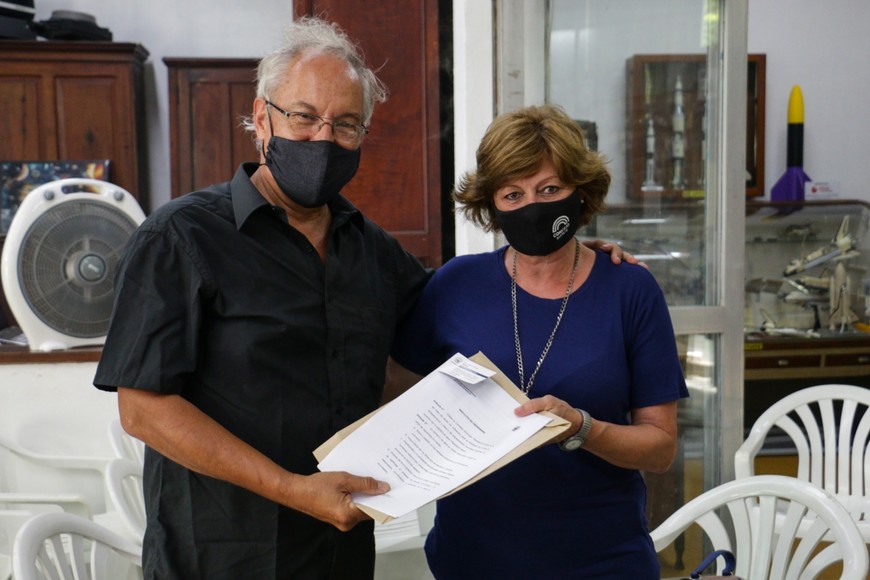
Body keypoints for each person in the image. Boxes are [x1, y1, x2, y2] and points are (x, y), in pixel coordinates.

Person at [94, 17, 634, 580]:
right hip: (220, 557)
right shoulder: (180, 237)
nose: (323, 138)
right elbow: (143, 409)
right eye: (304, 116)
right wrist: (292, 489)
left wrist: (567, 254)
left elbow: (468, 305)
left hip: (341, 552)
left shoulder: (374, 251)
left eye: (346, 124)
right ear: (262, 117)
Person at [390, 104, 689, 579]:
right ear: (491, 205)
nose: (532, 206)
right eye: (513, 194)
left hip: (602, 562)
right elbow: (396, 395)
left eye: (549, 189)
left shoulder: (629, 290)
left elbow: (660, 449)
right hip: (472, 560)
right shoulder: (454, 285)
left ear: (580, 189)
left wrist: (582, 428)